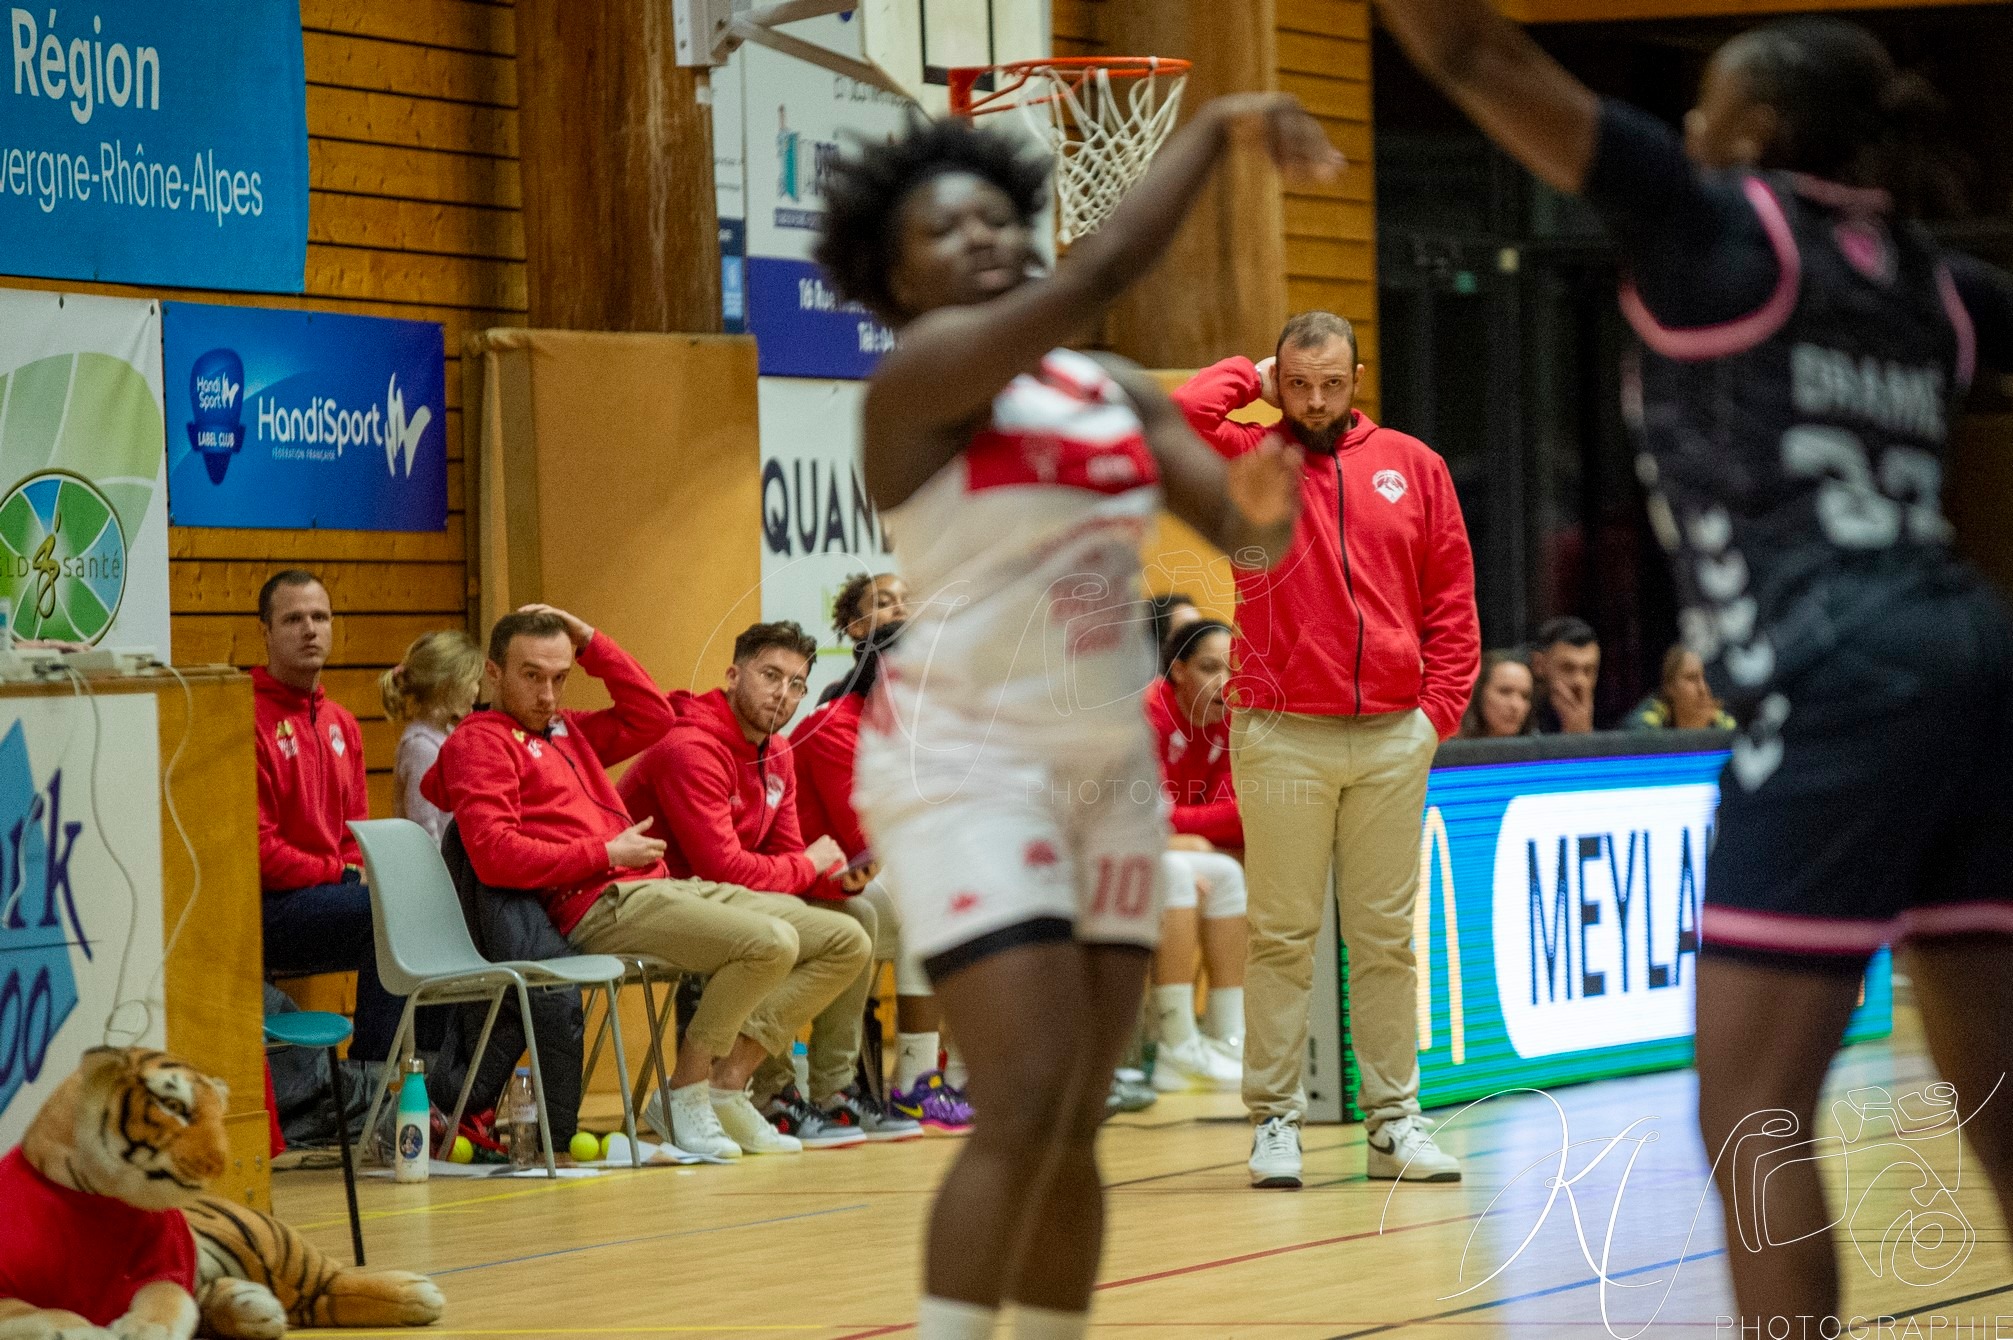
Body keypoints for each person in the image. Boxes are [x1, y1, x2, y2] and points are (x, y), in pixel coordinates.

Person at [1372, 5, 2013, 1329]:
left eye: (1707, 106)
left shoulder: (1718, 228)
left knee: (1751, 1112)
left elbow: (1478, 53)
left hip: (1839, 677)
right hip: (1976, 656)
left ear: (1758, 131)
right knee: (1998, 1097)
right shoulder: (1928, 277)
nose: (1687, 128)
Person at [816, 97, 1333, 1340]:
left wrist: (1267, 499)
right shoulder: (916, 385)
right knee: (1026, 1089)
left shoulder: (1102, 386)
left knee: (1076, 1110)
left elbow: (1241, 530)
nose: (986, 238)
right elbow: (1102, 268)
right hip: (966, 763)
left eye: (1000, 216)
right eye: (948, 230)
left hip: (1106, 769)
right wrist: (1213, 133)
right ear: (893, 275)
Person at [1173, 310, 1480, 1189]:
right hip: (1279, 734)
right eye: (1298, 384)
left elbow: (1451, 599)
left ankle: (1394, 1122)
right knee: (1281, 934)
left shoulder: (1413, 467)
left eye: (1330, 384)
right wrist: (1251, 376)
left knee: (1385, 938)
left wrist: (1435, 714)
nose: (1314, 400)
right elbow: (1188, 414)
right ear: (1282, 378)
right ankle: (1274, 1119)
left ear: (1356, 379)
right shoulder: (1247, 458)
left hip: (1393, 735)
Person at [422, 606, 871, 1162]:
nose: (548, 694)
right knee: (771, 941)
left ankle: (728, 1085)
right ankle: (687, 1092)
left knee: (846, 940)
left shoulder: (567, 730)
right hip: (596, 904)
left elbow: (651, 715)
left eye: (560, 677)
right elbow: (494, 857)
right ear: (493, 674)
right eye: (531, 675)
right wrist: (604, 852)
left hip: (653, 887)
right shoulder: (480, 743)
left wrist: (592, 642)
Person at [617, 620, 912, 1147]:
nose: (784, 693)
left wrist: (834, 876)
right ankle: (757, 1088)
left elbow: (788, 858)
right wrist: (810, 864)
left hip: (733, 896)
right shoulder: (691, 748)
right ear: (733, 675)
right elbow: (724, 868)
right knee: (792, 929)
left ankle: (754, 1083)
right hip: (656, 897)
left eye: (797, 683)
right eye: (770, 675)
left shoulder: (775, 750)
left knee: (857, 919)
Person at [790, 622, 975, 1135]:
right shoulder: (834, 727)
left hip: (867, 881)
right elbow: (866, 838)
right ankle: (917, 1082)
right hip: (816, 878)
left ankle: (961, 1076)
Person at [253, 570, 401, 1063]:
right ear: (266, 632)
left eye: (320, 617)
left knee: (416, 916)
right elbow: (259, 852)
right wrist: (338, 873)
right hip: (267, 909)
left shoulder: (342, 723)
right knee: (385, 914)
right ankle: (369, 1079)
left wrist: (353, 870)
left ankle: (428, 1086)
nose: (310, 629)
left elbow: (353, 833)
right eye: (293, 619)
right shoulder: (243, 717)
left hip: (328, 897)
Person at [1143, 619, 1247, 1092]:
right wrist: (1176, 835)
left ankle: (1228, 1036)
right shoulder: (1149, 711)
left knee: (1226, 872)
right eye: (1209, 668)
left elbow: (1242, 816)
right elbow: (1137, 814)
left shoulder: (1233, 720)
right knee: (1179, 872)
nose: (1225, 683)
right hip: (1109, 851)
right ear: (1178, 670)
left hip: (1166, 850)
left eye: (1234, 669)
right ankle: (1175, 1043)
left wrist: (1178, 831)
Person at [381, 630, 484, 844]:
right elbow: (424, 830)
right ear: (446, 686)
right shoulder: (421, 747)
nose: (477, 690)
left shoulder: (447, 734)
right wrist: (442, 876)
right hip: (434, 873)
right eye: (473, 681)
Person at [814, 571, 909, 705]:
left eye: (908, 602)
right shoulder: (837, 697)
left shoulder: (941, 673)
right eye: (883, 603)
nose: (901, 609)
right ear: (856, 625)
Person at [1626, 643, 1737, 731]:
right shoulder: (1648, 719)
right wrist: (1692, 732)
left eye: (1704, 678)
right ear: (1669, 686)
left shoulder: (1718, 718)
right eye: (1691, 678)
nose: (1703, 689)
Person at [1528, 615, 1601, 733]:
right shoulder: (1518, 715)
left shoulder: (1609, 718)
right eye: (1568, 668)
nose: (1580, 681)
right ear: (1539, 665)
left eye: (1588, 670)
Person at [1459, 651, 1537, 738]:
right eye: (1505, 692)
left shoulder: (1542, 748)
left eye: (1525, 696)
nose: (1516, 705)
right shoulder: (1449, 747)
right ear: (1480, 693)